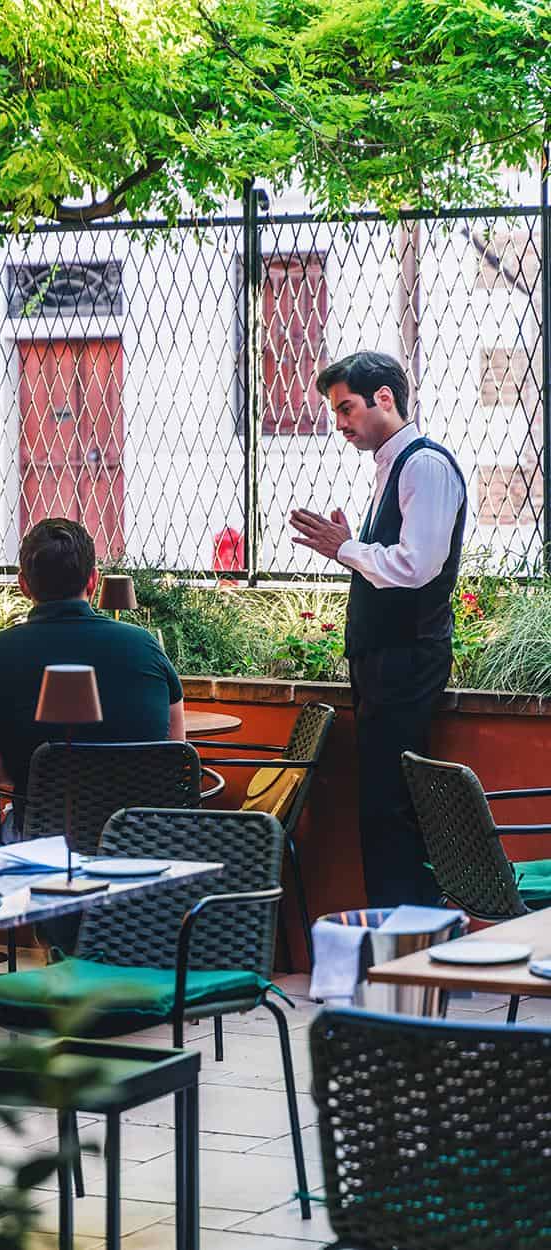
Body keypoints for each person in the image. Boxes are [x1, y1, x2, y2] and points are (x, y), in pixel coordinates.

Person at [288, 350, 465, 907]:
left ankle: (405, 945)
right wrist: (354, 550)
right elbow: (391, 561)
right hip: (386, 659)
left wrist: (347, 548)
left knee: (392, 805)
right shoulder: (393, 466)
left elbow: (417, 566)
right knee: (383, 802)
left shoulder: (424, 465)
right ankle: (397, 941)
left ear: (383, 398)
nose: (339, 423)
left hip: (406, 658)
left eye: (346, 409)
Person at [0, 517, 186, 826]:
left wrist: (38, 789)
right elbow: (175, 750)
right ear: (93, 581)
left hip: (43, 835)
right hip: (142, 839)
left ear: (23, 584)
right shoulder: (145, 645)